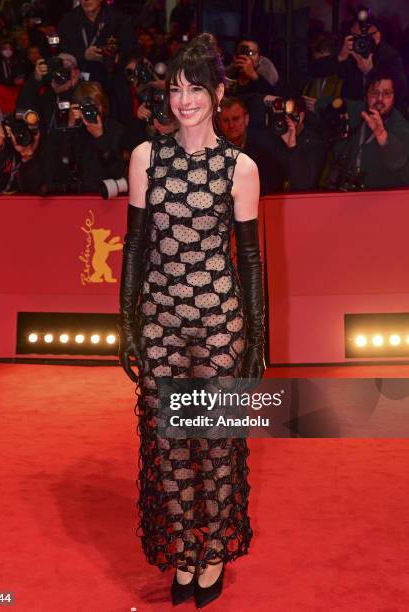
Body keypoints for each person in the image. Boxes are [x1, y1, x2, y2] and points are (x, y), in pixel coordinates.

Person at [118, 33, 265, 608]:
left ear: (218, 92)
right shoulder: (144, 157)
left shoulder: (241, 168)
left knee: (216, 442)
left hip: (220, 321)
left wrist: (256, 335)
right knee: (168, 443)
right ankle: (183, 549)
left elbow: (249, 258)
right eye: (176, 88)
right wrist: (127, 323)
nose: (183, 100)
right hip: (159, 317)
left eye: (196, 88)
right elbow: (133, 247)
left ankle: (213, 555)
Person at [316, 70, 409, 190]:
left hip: (382, 198)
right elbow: (321, 104)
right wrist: (339, 113)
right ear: (366, 96)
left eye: (386, 94)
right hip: (345, 194)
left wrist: (382, 135)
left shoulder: (401, 126)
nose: (380, 100)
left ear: (394, 98)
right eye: (374, 93)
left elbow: (399, 162)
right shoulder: (357, 110)